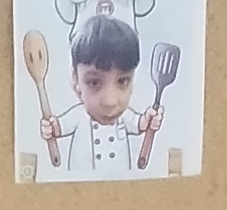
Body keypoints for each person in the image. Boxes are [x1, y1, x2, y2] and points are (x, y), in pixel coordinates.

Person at [43, 11, 165, 176]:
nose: (110, 101)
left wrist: (150, 120)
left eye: (122, 81)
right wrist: (49, 129)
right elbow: (57, 129)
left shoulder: (125, 117)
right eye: (94, 83)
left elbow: (140, 124)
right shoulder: (78, 116)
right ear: (75, 78)